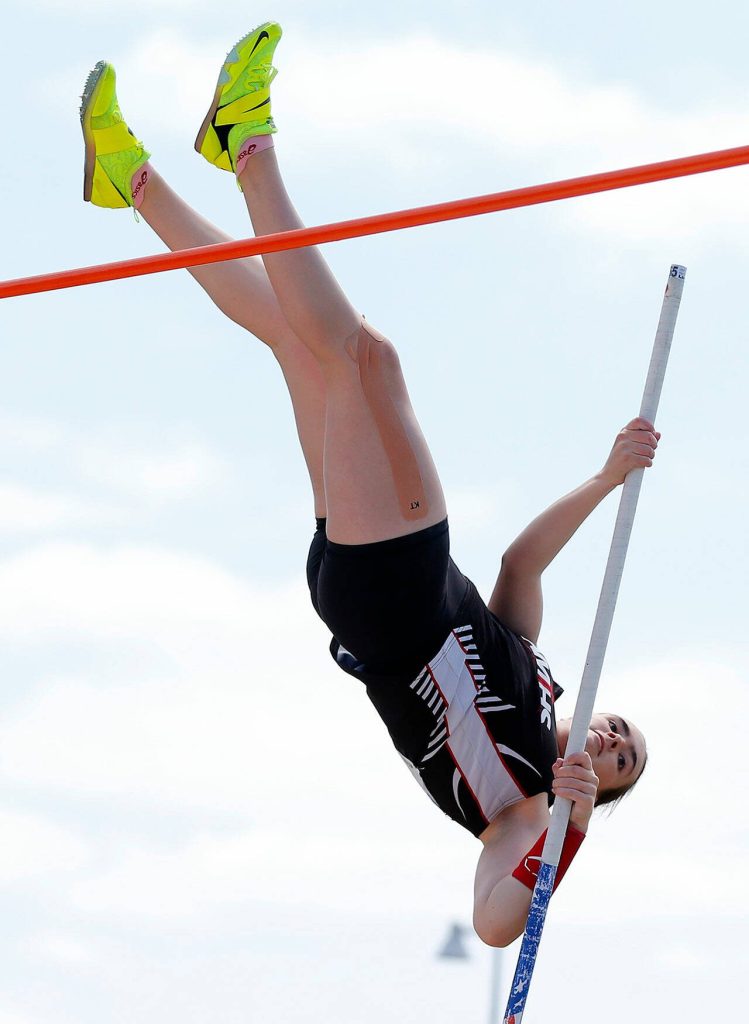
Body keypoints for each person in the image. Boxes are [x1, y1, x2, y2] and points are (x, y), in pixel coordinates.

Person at [80, 23, 653, 947]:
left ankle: (249, 147)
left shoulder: (519, 813)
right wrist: (605, 475)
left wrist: (571, 825)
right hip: (375, 583)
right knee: (300, 343)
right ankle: (133, 182)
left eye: (617, 764)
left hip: (392, 604)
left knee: (362, 357)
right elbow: (520, 558)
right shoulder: (537, 681)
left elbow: (496, 922)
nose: (609, 743)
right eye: (621, 731)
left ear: (603, 786)